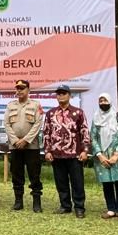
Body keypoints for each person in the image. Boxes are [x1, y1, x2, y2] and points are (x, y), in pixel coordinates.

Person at [44, 84, 91, 218]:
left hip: (75, 154)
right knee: (61, 182)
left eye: (64, 93)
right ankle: (65, 206)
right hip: (57, 154)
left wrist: (85, 150)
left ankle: (79, 207)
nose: (61, 96)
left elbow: (85, 132)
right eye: (58, 94)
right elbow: (46, 133)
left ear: (69, 95)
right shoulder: (51, 113)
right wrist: (47, 151)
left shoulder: (78, 112)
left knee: (77, 182)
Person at [3, 79, 44, 211]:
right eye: (17, 88)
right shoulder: (11, 106)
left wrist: (26, 140)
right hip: (15, 147)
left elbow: (38, 124)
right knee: (16, 174)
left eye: (22, 88)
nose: (19, 90)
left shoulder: (35, 105)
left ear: (28, 90)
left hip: (31, 147)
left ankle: (36, 202)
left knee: (34, 175)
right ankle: (18, 201)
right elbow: (7, 124)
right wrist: (15, 140)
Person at [91, 94, 118, 220]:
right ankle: (111, 209)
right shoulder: (96, 117)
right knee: (106, 183)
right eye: (100, 100)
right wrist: (100, 155)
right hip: (102, 155)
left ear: (110, 101)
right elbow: (93, 137)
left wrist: (116, 154)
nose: (103, 102)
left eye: (105, 100)